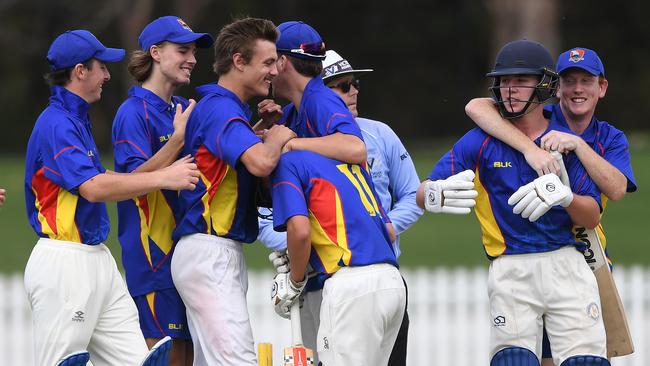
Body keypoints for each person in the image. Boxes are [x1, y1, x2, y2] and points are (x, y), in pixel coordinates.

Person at [416, 40, 609, 366]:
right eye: (504, 81)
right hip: (510, 267)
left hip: (569, 261)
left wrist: (565, 197)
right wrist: (430, 195)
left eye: (520, 80)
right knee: (513, 361)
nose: (510, 89)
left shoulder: (567, 136)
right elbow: (424, 190)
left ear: (544, 84)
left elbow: (591, 216)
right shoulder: (478, 140)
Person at [24, 29, 199, 366]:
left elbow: (110, 181)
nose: (107, 74)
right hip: (64, 260)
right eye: (101, 67)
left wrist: (172, 150)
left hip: (96, 259)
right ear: (79, 71)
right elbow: (93, 188)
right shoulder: (57, 124)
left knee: (145, 361)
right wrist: (166, 175)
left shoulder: (74, 119)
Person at [464, 47, 637, 365]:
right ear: (556, 87)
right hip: (532, 258)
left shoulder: (610, 137)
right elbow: (477, 107)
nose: (578, 90)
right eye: (569, 81)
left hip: (587, 255)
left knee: (585, 357)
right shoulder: (539, 117)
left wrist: (579, 145)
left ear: (602, 87)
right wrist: (530, 150)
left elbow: (617, 188)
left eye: (587, 81)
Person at [259, 49, 422, 365]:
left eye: (353, 84)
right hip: (388, 278)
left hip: (346, 282)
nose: (352, 92)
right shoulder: (345, 157)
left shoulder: (294, 159)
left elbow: (300, 230)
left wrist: (293, 278)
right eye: (342, 86)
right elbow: (382, 222)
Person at [169, 17, 296, 366]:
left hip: (209, 250)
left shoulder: (225, 108)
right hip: (210, 249)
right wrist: (280, 136)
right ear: (239, 61)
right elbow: (259, 163)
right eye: (268, 62)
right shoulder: (221, 107)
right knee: (237, 361)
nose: (275, 71)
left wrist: (261, 129)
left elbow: (227, 165)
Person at [111, 16, 214, 366]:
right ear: (155, 53)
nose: (193, 59)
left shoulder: (182, 109)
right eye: (182, 50)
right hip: (153, 261)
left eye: (194, 51)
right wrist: (178, 142)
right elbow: (129, 184)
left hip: (188, 260)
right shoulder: (132, 113)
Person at [269, 148, 406, 366]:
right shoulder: (353, 164)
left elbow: (300, 231)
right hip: (392, 282)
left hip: (351, 287)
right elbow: (389, 232)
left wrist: (294, 282)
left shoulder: (289, 162)